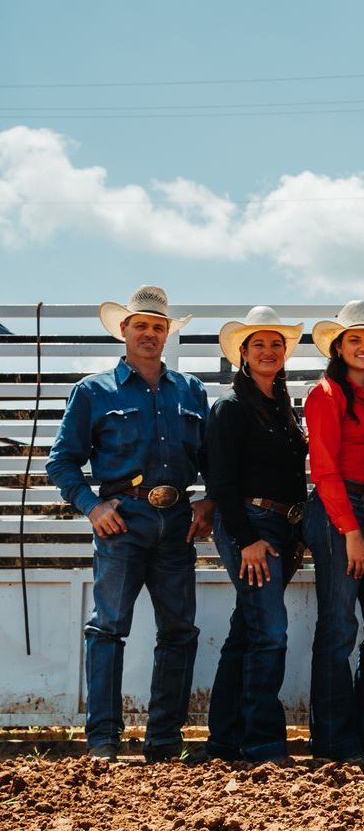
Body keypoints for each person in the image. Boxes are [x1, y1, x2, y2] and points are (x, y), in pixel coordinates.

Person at [46, 286, 213, 763]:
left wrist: (210, 502)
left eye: (158, 327)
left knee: (180, 630)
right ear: (124, 330)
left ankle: (164, 741)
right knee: (107, 629)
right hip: (122, 522)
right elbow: (61, 463)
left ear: (166, 335)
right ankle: (103, 740)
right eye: (141, 325)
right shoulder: (93, 392)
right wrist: (92, 507)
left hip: (178, 523)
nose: (149, 334)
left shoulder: (191, 391)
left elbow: (211, 460)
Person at [206, 307, 309, 764]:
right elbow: (221, 481)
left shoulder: (282, 407)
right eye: (259, 345)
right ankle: (263, 743)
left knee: (247, 630)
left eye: (276, 344)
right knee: (270, 632)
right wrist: (245, 538)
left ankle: (225, 739)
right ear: (243, 354)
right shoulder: (230, 408)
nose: (269, 352)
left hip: (283, 528)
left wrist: (300, 530)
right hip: (251, 527)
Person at [304, 300, 364, 766]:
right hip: (335, 512)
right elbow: (323, 470)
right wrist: (349, 530)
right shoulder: (325, 394)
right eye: (354, 339)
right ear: (338, 347)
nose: (363, 347)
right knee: (339, 626)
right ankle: (333, 740)